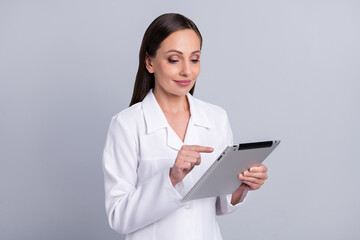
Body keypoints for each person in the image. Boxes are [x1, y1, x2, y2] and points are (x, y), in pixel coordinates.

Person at [102, 13, 268, 240]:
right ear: (149, 62)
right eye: (174, 59)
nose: (187, 71)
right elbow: (118, 216)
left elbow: (220, 205)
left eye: (194, 59)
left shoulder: (216, 118)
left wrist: (243, 186)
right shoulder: (126, 124)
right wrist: (171, 178)